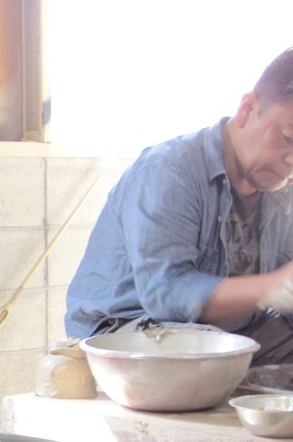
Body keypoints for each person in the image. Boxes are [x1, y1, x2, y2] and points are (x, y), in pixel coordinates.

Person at [65, 47, 293, 365]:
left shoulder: (283, 190)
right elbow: (166, 294)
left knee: (227, 349)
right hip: (133, 333)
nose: (291, 161)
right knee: (215, 352)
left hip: (230, 337)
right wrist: (272, 287)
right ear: (247, 109)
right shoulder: (170, 171)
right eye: (287, 138)